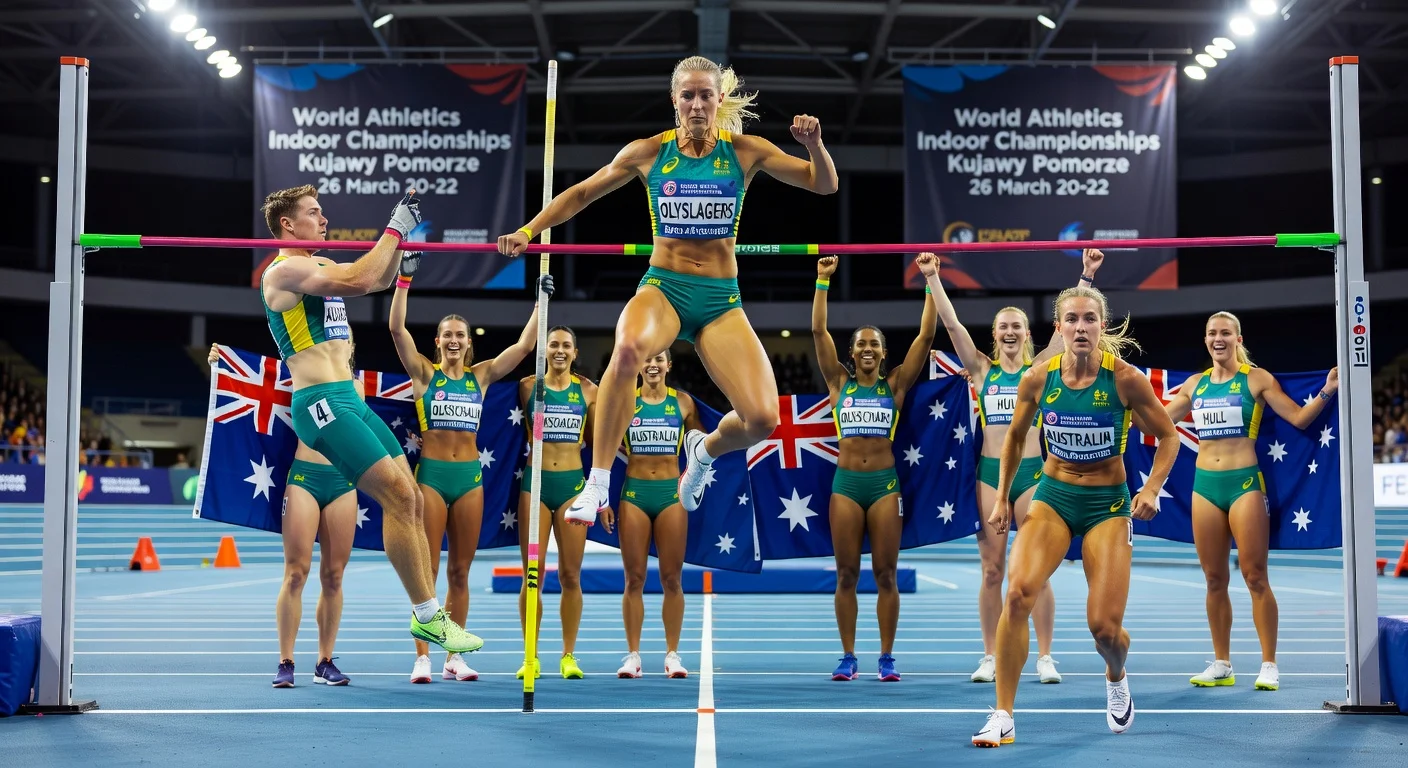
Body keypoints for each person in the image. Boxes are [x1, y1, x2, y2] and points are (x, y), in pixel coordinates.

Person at [497, 55, 838, 525]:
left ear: (719, 100)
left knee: (762, 420)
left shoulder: (744, 151)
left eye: (705, 95)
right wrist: (529, 231)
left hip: (721, 301)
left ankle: (704, 451)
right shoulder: (650, 152)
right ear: (674, 101)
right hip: (665, 288)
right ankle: (596, 483)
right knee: (630, 346)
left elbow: (824, 185)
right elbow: (580, 193)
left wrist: (815, 146)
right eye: (688, 96)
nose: (697, 105)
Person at [258, 184, 481, 655]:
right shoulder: (284, 270)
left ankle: (430, 613)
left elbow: (374, 280)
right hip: (320, 402)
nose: (324, 220)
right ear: (287, 224)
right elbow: (360, 280)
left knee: (413, 497)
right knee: (399, 495)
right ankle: (426, 616)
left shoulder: (317, 265)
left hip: (348, 397)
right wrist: (395, 226)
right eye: (314, 213)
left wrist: (400, 253)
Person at [972, 286, 1179, 747]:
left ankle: (1116, 672)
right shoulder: (1038, 378)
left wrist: (1151, 488)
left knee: (1104, 628)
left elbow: (1169, 438)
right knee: (1018, 594)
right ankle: (1003, 714)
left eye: (1089, 319)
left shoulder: (1124, 379)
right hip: (1053, 497)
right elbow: (1013, 437)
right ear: (1059, 328)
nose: (1081, 327)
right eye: (1072, 320)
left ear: (1101, 326)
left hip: (1107, 505)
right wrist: (1004, 495)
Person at [925, 248, 1106, 685]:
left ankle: (1045, 656)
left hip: (1034, 475)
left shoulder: (1040, 369)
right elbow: (950, 324)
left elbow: (1066, 332)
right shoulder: (982, 372)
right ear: (995, 334)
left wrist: (1085, 275)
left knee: (1037, 570)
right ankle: (989, 655)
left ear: (1028, 335)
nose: (1009, 332)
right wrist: (933, 276)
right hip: (991, 477)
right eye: (1003, 327)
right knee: (992, 570)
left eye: (1016, 327)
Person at [388, 255, 550, 684]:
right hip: (433, 479)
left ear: (468, 342)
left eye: (460, 335)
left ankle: (452, 658)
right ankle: (422, 657)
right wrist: (404, 280)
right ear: (437, 342)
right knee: (429, 572)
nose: (454, 340)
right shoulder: (425, 375)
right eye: (447, 335)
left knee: (461, 571)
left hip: (471, 481)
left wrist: (540, 304)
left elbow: (523, 349)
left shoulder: (480, 377)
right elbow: (396, 331)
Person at [1160, 312, 1339, 693]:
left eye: (1225, 332)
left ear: (1238, 339)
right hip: (1204, 487)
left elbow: (1299, 419)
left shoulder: (1256, 379)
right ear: (1205, 340)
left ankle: (1269, 663)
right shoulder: (1195, 385)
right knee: (1213, 580)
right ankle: (1222, 663)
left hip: (1244, 485)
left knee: (1255, 576)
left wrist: (1328, 390)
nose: (1218, 338)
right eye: (1212, 333)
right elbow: (1157, 421)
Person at [812, 254, 936, 682]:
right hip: (845, 486)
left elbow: (926, 333)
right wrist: (823, 282)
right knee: (846, 574)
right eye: (861, 344)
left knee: (886, 573)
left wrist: (929, 282)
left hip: (884, 487)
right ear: (852, 353)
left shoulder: (896, 385)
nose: (867, 349)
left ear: (884, 353)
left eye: (874, 344)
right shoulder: (838, 384)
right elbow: (817, 330)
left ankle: (886, 656)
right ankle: (848, 656)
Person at [209, 341, 358, 689]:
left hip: (343, 482)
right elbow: (254, 379)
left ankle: (325, 661)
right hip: (305, 477)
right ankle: (286, 661)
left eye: (346, 335)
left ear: (351, 345)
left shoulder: (359, 385)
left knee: (334, 576)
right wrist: (224, 363)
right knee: (295, 573)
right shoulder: (302, 371)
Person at [517, 325, 609, 680]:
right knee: (532, 575)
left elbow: (601, 446)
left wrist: (600, 498)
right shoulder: (527, 387)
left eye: (565, 345)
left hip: (572, 486)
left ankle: (568, 655)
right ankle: (531, 656)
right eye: (552, 344)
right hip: (535, 487)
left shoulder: (588, 391)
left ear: (575, 352)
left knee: (571, 575)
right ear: (544, 350)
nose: (558, 350)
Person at [616, 350, 704, 680]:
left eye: (660, 359)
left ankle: (672, 655)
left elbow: (700, 451)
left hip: (671, 497)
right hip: (635, 495)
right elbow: (606, 445)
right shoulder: (625, 401)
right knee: (634, 579)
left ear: (670, 364)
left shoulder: (684, 404)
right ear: (638, 365)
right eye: (647, 359)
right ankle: (633, 656)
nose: (653, 364)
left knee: (672, 579)